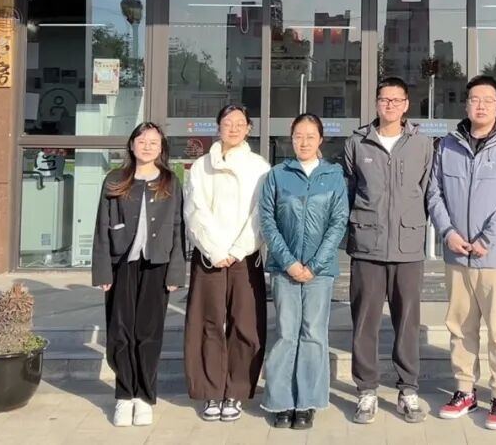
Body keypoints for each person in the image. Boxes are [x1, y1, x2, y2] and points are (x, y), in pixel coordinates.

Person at [427, 75, 496, 430]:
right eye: (475, 99)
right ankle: (464, 390)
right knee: (460, 326)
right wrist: (448, 232)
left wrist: (488, 237)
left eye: (488, 99)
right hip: (457, 255)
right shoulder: (448, 146)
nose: (481, 105)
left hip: (495, 258)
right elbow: (434, 193)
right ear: (466, 104)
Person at [343, 76, 434, 424]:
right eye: (384, 99)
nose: (390, 105)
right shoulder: (357, 143)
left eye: (397, 100)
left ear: (406, 104)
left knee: (407, 323)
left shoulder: (422, 144)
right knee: (364, 323)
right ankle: (366, 390)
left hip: (407, 248)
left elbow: (426, 191)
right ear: (376, 102)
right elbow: (349, 190)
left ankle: (407, 389)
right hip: (367, 246)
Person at [91, 122, 186, 428]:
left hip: (157, 264)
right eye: (142, 141)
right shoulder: (115, 179)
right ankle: (124, 395)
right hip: (122, 263)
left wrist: (176, 271)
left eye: (153, 142)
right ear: (131, 145)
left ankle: (144, 396)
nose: (147, 146)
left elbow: (178, 228)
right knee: (120, 331)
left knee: (149, 333)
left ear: (161, 148)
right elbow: (102, 226)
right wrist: (102, 270)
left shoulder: (170, 181)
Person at [259, 113, 350, 430]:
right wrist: (289, 263)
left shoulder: (333, 176)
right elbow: (268, 221)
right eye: (299, 136)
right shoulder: (277, 175)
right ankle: (281, 401)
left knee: (313, 334)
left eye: (311, 136)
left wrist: (314, 265)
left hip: (319, 273)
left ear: (321, 139)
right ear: (291, 138)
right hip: (284, 270)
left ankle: (307, 402)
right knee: (286, 333)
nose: (304, 142)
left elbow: (338, 223)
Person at [183, 105, 271, 423]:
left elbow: (262, 213)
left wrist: (238, 249)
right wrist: (214, 249)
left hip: (245, 257)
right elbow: (194, 209)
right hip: (210, 256)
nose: (233, 128)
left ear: (248, 128)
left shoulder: (259, 167)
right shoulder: (201, 166)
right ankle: (210, 391)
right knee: (207, 323)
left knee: (246, 326)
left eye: (239, 123)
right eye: (227, 123)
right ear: (217, 126)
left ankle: (236, 391)